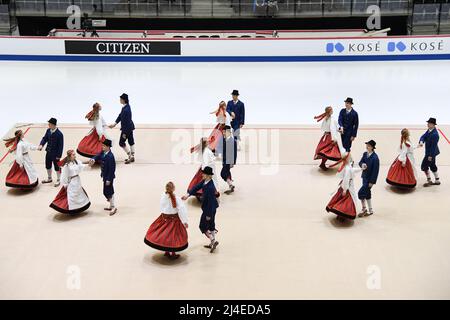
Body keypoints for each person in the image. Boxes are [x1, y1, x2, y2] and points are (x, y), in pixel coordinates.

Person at [144, 182, 189, 260]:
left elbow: (161, 207)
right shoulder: (176, 198)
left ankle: (167, 251)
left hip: (164, 218)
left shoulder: (163, 196)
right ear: (174, 189)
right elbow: (182, 210)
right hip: (174, 220)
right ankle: (173, 253)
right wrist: (185, 221)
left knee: (165, 236)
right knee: (173, 237)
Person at [182, 166, 219, 253]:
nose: (202, 175)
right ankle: (212, 242)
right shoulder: (206, 181)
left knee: (202, 226)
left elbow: (209, 203)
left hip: (209, 209)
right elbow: (196, 187)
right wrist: (188, 195)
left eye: (204, 174)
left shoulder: (210, 188)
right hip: (212, 207)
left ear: (209, 175)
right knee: (211, 225)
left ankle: (213, 240)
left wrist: (208, 215)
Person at [50, 150, 91, 214]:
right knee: (72, 195)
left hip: (77, 180)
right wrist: (65, 184)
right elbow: (64, 175)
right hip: (71, 182)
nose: (75, 156)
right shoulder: (67, 165)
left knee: (79, 194)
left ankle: (80, 207)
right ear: (69, 156)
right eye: (73, 155)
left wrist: (89, 164)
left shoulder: (76, 162)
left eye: (75, 154)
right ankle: (73, 209)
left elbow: (82, 166)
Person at [326, 153, 362, 220]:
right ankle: (342, 215)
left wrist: (361, 169)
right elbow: (346, 179)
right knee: (346, 202)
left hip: (345, 185)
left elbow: (353, 170)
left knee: (340, 200)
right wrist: (345, 189)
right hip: (348, 186)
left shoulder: (347, 166)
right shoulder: (347, 168)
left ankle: (340, 215)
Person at [89, 139, 117, 215]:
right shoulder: (103, 152)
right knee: (106, 191)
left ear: (108, 147)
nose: (102, 147)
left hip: (108, 177)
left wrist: (109, 179)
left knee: (109, 191)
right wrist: (93, 159)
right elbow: (97, 156)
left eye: (104, 146)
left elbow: (112, 169)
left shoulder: (110, 156)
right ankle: (111, 204)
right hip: (104, 175)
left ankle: (113, 206)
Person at [314, 106, 345, 171]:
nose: (332, 111)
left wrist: (339, 129)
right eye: (331, 110)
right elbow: (333, 128)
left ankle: (323, 164)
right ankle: (323, 164)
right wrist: (334, 138)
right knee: (327, 151)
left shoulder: (327, 118)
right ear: (329, 112)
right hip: (329, 137)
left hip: (326, 136)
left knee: (326, 151)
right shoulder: (330, 119)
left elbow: (333, 127)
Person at [109, 93, 135, 164]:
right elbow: (120, 116)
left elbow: (125, 121)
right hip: (130, 127)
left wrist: (124, 132)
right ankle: (132, 156)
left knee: (121, 143)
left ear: (123, 100)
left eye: (120, 99)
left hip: (126, 129)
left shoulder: (126, 110)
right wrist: (115, 123)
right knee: (131, 141)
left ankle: (130, 155)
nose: (119, 100)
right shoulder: (126, 107)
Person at [38, 118, 64, 187]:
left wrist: (59, 155)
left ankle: (58, 179)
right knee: (48, 165)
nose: (48, 125)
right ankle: (49, 178)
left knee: (57, 167)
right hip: (48, 152)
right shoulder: (48, 131)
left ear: (53, 125)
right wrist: (41, 144)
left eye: (49, 124)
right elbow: (45, 138)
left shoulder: (59, 134)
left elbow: (61, 146)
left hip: (55, 154)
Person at [358, 140, 380, 217]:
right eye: (367, 145)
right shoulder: (365, 154)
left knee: (360, 193)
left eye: (369, 145)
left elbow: (375, 171)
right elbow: (360, 162)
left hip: (369, 180)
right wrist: (362, 164)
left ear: (372, 147)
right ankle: (370, 210)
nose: (367, 146)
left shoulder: (375, 158)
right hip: (364, 177)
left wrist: (372, 182)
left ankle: (364, 208)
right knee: (367, 193)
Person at [417, 117, 440, 187]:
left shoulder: (435, 135)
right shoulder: (429, 130)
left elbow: (433, 147)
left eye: (429, 123)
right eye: (428, 123)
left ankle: (429, 180)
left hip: (431, 153)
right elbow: (424, 136)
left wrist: (430, 156)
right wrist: (421, 141)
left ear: (433, 125)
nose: (428, 124)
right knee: (432, 165)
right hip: (430, 153)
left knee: (424, 166)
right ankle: (437, 180)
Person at [221, 125, 237, 195]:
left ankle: (230, 184)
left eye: (224, 132)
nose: (223, 133)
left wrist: (232, 162)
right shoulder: (225, 139)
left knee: (223, 173)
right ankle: (230, 184)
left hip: (228, 161)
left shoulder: (232, 141)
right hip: (225, 160)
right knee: (227, 173)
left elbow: (234, 153)